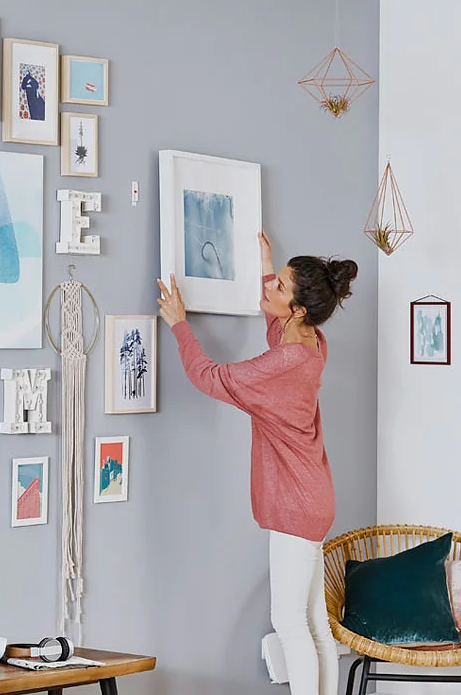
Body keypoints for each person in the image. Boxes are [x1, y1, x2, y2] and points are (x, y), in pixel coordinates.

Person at [156, 231, 358, 695]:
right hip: (314, 497)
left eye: (280, 288)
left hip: (294, 504)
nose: (270, 289)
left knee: (289, 622)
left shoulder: (285, 361)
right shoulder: (312, 343)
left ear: (299, 309)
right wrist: (268, 265)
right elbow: (277, 332)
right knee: (315, 622)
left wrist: (180, 324)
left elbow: (209, 377)